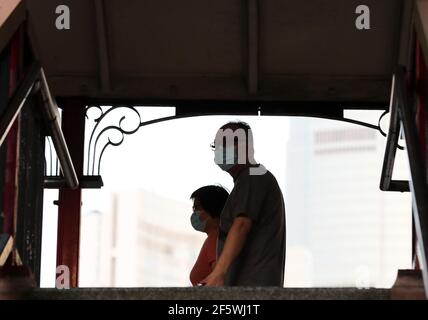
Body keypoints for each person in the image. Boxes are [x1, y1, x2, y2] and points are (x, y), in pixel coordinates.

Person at [201, 121, 286, 286]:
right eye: (216, 145)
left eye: (225, 143)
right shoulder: (247, 181)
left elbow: (241, 225)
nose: (220, 149)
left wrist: (218, 273)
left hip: (253, 291)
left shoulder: (253, 177)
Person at [189, 185, 229, 286]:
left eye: (197, 208)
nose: (194, 213)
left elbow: (219, 280)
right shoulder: (218, 237)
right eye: (193, 209)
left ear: (213, 208)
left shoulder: (215, 238)